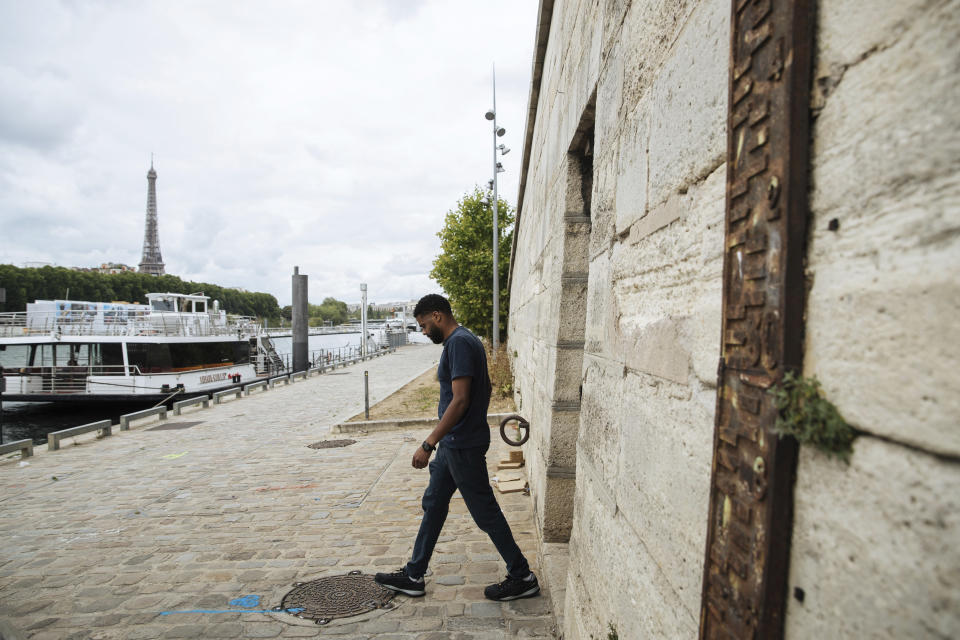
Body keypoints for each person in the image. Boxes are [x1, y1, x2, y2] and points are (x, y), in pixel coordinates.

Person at [375, 294, 539, 602]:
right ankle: (413, 574)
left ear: (437, 316)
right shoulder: (463, 342)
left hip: (461, 445)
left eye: (424, 326)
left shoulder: (460, 344)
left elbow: (460, 400)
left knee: (485, 513)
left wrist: (429, 442)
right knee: (434, 505)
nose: (423, 332)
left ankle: (522, 575)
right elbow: (477, 392)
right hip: (454, 446)